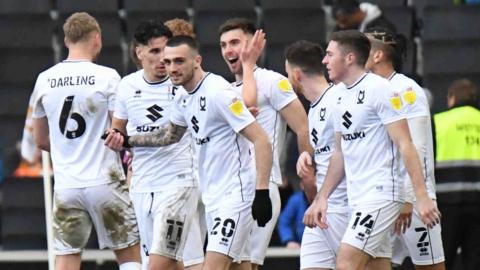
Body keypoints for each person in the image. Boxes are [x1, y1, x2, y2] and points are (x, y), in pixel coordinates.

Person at [104, 35, 273, 270]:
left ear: (197, 61)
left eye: (179, 61)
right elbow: (170, 136)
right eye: (169, 61)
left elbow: (262, 140)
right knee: (237, 266)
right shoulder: (182, 95)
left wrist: (262, 192)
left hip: (236, 195)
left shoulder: (218, 92)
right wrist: (127, 140)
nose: (172, 68)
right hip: (212, 196)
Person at [303, 30, 441, 270]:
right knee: (375, 266)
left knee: (346, 262)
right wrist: (321, 198)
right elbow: (339, 152)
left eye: (329, 54)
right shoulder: (335, 96)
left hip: (382, 193)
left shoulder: (382, 90)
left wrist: (420, 197)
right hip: (357, 198)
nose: (324, 60)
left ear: (349, 58)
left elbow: (407, 144)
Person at [30, 12, 141, 270]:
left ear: (67, 41)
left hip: (67, 185)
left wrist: (64, 149)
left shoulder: (44, 79)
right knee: (129, 255)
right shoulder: (108, 76)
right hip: (105, 180)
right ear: (97, 39)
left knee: (67, 259)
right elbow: (120, 131)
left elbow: (40, 139)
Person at [218, 18, 314, 270]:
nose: (228, 50)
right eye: (223, 44)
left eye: (235, 42)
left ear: (252, 45)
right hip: (228, 188)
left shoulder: (272, 81)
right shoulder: (225, 89)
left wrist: (308, 175)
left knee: (246, 264)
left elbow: (303, 127)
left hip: (259, 185)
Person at [111, 20, 204, 270]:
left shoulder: (184, 84)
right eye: (154, 51)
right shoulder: (127, 86)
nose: (163, 58)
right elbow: (118, 128)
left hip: (178, 183)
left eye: (166, 50)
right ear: (138, 52)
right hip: (143, 185)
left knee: (161, 261)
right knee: (172, 262)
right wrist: (115, 138)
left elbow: (174, 134)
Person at [364, 28, 446, 270]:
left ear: (378, 55)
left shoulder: (406, 90)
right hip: (380, 199)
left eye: (362, 46)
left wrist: (409, 198)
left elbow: (417, 146)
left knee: (429, 267)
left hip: (414, 202)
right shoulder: (366, 91)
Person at [286, 40, 349, 270]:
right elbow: (325, 152)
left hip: (345, 208)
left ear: (296, 74)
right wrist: (307, 158)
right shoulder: (313, 109)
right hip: (322, 211)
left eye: (287, 74)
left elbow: (346, 154)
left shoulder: (339, 100)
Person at [434, 79, 480, 270]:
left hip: (445, 204)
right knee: (474, 261)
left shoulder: (438, 121)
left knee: (442, 260)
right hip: (478, 204)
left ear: (451, 98)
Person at [332, 0, 396, 33]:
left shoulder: (383, 27)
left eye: (345, 21)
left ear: (356, 11)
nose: (342, 26)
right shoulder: (342, 29)